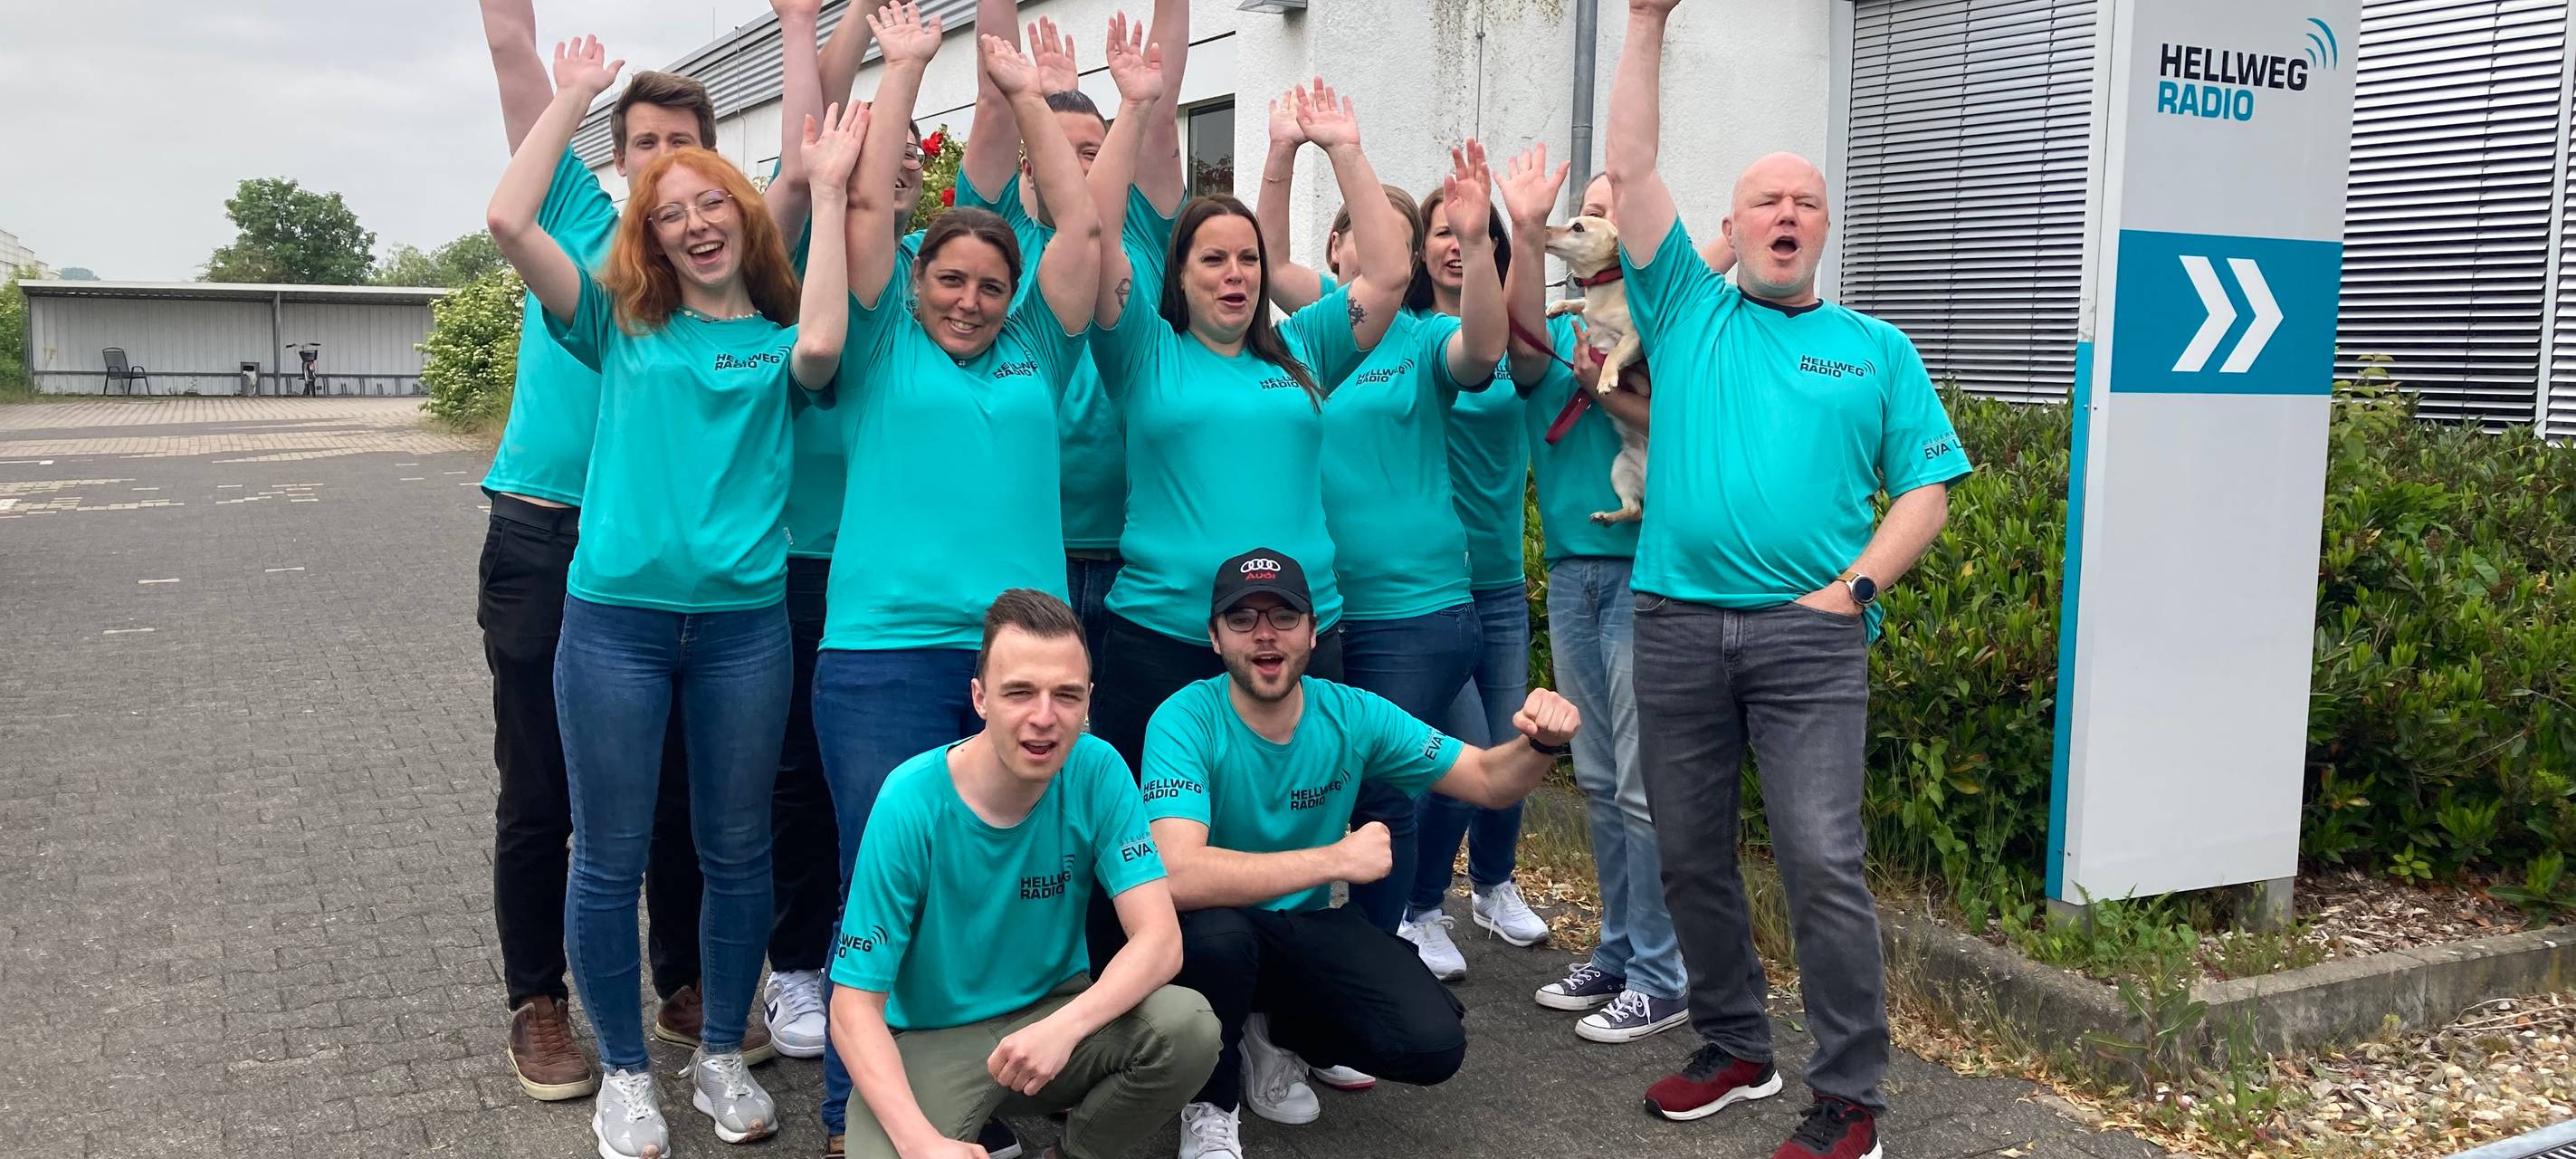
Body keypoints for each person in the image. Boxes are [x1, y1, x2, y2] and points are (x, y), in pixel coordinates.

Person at [486, 30, 863, 1157]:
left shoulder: (777, 338)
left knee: (735, 846)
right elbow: (511, 220)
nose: (694, 222)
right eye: (668, 211)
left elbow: (831, 336)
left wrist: (832, 194)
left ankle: (710, 1057)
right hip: (615, 628)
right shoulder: (617, 324)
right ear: (645, 234)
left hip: (744, 633)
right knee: (606, 851)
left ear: (742, 219)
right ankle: (621, 1073)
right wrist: (571, 96)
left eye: (713, 203)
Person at [1608, 3, 1973, 1155]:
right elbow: (1627, 166)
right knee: (1686, 850)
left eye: (1804, 201)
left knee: (1821, 860)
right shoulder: (1682, 308)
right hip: (1671, 621)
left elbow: (1925, 489)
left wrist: (1853, 590)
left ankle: (1850, 1096)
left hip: (1808, 640)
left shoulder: (1875, 347)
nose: (1784, 213)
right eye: (1764, 199)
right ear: (1728, 225)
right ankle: (1731, 1044)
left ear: (1824, 228)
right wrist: (1643, 20)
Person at [807, 5, 1113, 1153]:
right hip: (882, 656)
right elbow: (868, 206)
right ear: (918, 278)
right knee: (878, 886)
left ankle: (983, 1097)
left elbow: (1079, 226)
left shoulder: (1044, 342)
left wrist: (1031, 99)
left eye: (991, 284)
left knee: (1013, 878)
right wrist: (903, 71)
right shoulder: (883, 336)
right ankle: (855, 1116)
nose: (971, 301)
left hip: (1022, 664)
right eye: (952, 280)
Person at [472, 0, 771, 1101]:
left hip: (665, 566)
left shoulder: (713, 268)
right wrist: (561, 80)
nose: (664, 164)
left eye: (686, 148)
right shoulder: (572, 218)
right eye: (644, 143)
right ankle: (540, 1000)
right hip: (548, 527)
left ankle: (684, 982)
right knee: (548, 791)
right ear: (612, 152)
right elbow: (510, 51)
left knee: (682, 795)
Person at [1134, 548, 1581, 1159]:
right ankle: (1211, 1103)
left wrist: (1540, 743)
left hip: (1304, 925)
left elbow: (1485, 778)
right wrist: (1334, 860)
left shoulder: (1351, 713)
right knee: (1218, 940)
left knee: (1432, 1045)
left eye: (1284, 617)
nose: (1265, 634)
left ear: (1313, 633)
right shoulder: (1184, 719)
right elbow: (1177, 874)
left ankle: (1274, 1030)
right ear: (1214, 638)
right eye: (1242, 619)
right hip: (1210, 927)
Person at [1082, 77, 1412, 775]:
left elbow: (1387, 274)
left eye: (1249, 259)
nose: (1236, 274)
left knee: (1297, 841)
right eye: (1214, 259)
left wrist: (1344, 151)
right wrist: (1137, 111)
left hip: (1296, 638)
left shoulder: (1307, 349)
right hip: (1164, 637)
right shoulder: (1143, 350)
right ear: (1178, 274)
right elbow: (1094, 237)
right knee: (1146, 848)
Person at [826, 589, 1220, 1159]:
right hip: (935, 1039)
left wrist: (1065, 1027)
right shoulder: (911, 799)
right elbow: (853, 1005)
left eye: (1065, 695)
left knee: (1188, 1027)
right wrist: (919, 1145)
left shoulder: (1098, 768)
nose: (1044, 717)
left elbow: (1161, 941)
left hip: (1054, 1013)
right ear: (980, 698)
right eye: (1020, 693)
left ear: (1088, 701)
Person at [1251, 117, 1511, 941]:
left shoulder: (1425, 338)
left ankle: (1386, 938)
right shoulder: (1311, 336)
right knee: (1353, 782)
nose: (1378, 251)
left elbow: (1484, 348)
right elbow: (1261, 257)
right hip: (1323, 611)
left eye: (1393, 237)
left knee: (1391, 786)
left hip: (1412, 612)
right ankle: (1391, 927)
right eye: (1362, 234)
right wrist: (1284, 153)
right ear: (1337, 251)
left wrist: (1475, 241)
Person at [1491, 148, 1716, 1048]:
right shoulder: (1559, 327)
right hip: (1572, 571)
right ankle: (1617, 952)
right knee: (1593, 777)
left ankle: (1664, 974)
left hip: (1641, 572)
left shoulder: (1658, 329)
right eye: (1582, 210)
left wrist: (1603, 383)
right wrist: (1520, 220)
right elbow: (1508, 346)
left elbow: (1673, 428)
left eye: (1602, 209)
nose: (1590, 221)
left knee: (1635, 784)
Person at [957, 1, 1194, 661]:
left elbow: (1161, 118)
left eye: (1094, 150)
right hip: (1025, 548)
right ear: (1029, 164)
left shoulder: (1144, 241)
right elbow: (994, 105)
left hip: (1137, 552)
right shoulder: (996, 239)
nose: (1081, 165)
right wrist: (1021, 84)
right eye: (1060, 152)